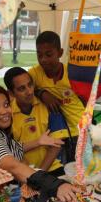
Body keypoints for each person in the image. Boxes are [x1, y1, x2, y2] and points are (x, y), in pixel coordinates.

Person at [0, 84, 78, 202]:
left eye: (6, 105)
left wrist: (38, 141)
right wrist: (55, 186)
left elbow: (14, 148)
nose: (4, 111)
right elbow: (14, 167)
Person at [28, 31, 85, 164]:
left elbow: (84, 97)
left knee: (79, 167)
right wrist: (42, 93)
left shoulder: (72, 73)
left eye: (48, 54)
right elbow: (23, 88)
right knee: (59, 166)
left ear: (60, 53)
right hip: (55, 130)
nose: (43, 60)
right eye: (39, 55)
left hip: (79, 128)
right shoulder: (34, 73)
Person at [4, 67, 68, 177]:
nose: (29, 91)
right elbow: (9, 150)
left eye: (30, 85)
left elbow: (57, 144)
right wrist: (30, 174)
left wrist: (40, 174)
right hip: (21, 172)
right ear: (11, 93)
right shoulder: (7, 115)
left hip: (51, 168)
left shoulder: (49, 105)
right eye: (21, 89)